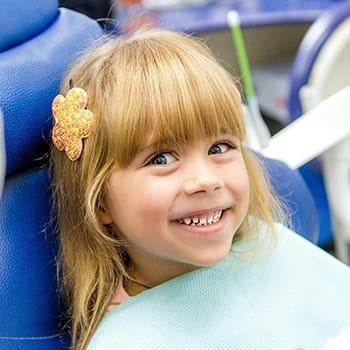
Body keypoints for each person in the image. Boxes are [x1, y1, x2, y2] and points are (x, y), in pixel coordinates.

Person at [50, 29, 350, 350]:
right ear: (100, 203)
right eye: (161, 158)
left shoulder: (268, 244)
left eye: (220, 147)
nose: (206, 180)